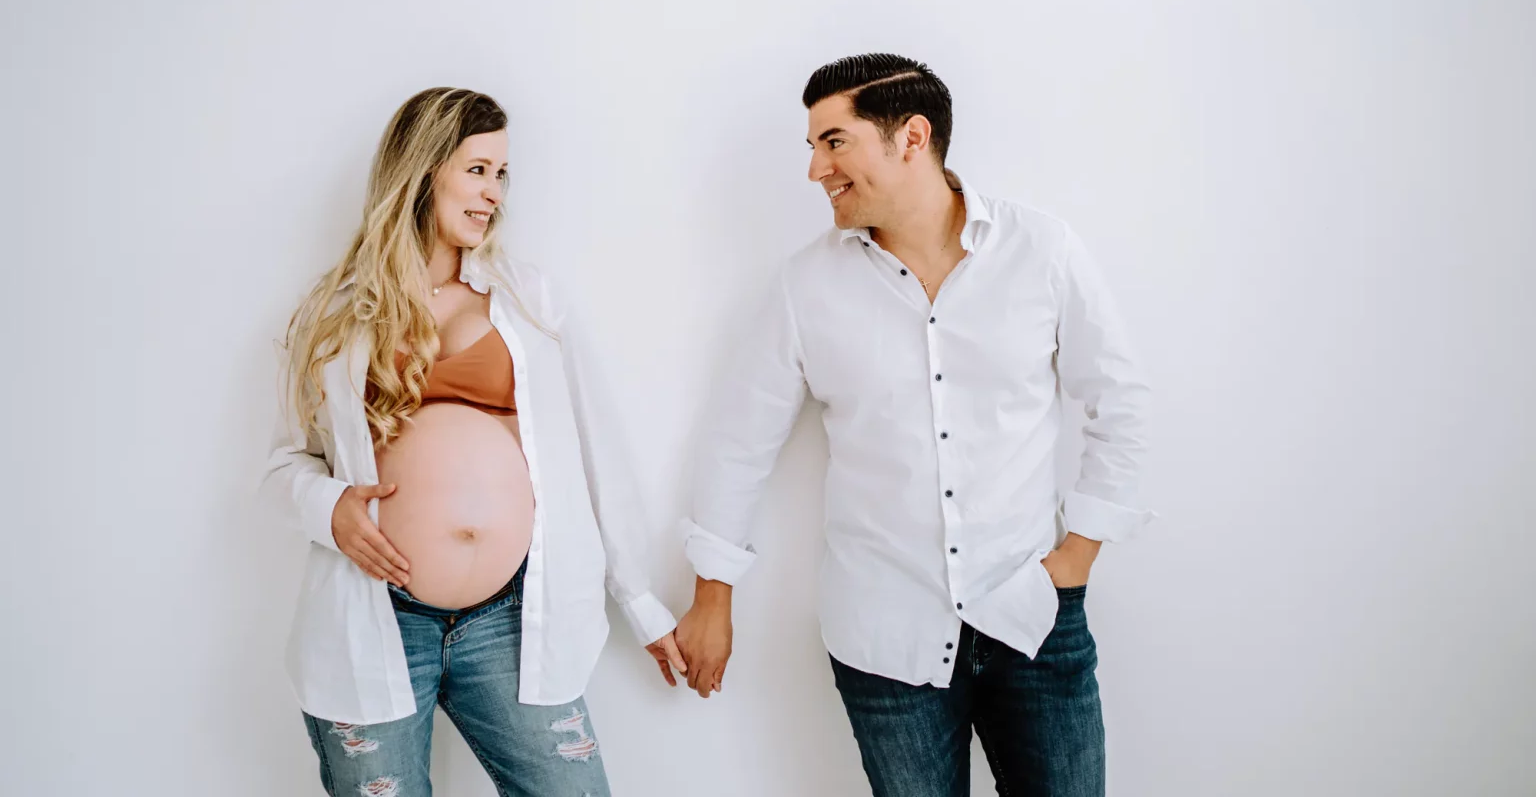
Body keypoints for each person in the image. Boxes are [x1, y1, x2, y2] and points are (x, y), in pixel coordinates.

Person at [675, 55, 1152, 797]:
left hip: (1033, 617)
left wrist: (1078, 556)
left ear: (911, 137)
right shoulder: (805, 286)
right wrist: (712, 596)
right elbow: (740, 444)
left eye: (834, 142)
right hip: (883, 640)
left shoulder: (1042, 250)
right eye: (812, 148)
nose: (815, 171)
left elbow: (1121, 402)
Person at [262, 87, 686, 797]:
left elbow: (594, 452)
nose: (495, 193)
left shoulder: (527, 299)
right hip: (376, 616)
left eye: (502, 175)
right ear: (425, 170)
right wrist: (330, 507)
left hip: (510, 619)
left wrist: (640, 601)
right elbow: (283, 463)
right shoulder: (333, 314)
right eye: (478, 170)